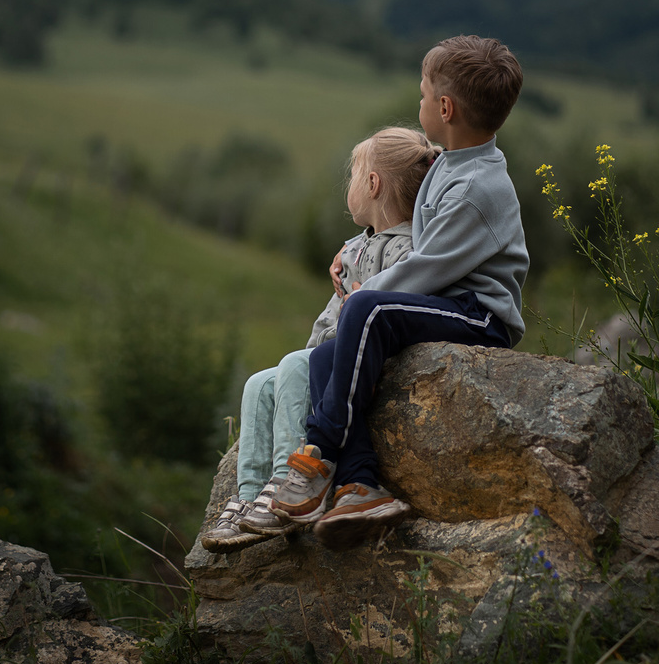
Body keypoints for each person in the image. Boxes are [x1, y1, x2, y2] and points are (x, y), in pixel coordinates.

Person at [270, 35, 531, 549]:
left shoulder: (477, 188)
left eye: (423, 95)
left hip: (479, 315)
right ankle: (360, 486)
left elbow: (427, 268)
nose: (419, 104)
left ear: (445, 108)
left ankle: (318, 452)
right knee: (326, 357)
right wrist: (354, 255)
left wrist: (360, 295)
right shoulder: (452, 164)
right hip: (443, 305)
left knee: (367, 309)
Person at [199, 126, 436, 552]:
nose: (349, 184)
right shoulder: (355, 248)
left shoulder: (409, 252)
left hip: (360, 363)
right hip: (325, 357)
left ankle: (288, 486)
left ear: (372, 184)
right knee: (258, 384)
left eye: (353, 175)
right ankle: (249, 496)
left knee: (293, 364)